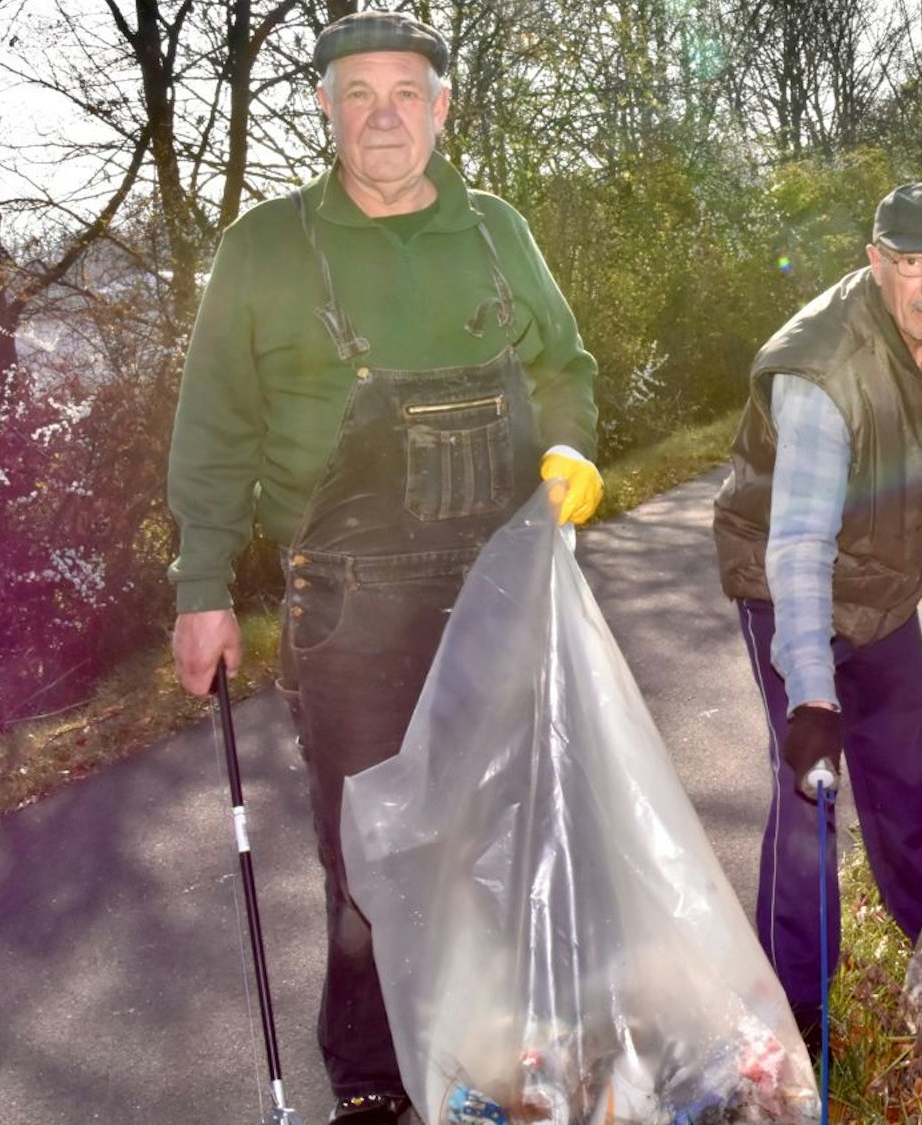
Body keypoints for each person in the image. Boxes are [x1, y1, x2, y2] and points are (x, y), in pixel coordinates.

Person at [164, 13, 601, 1123]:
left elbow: (563, 366)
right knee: (370, 850)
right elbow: (211, 422)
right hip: (349, 599)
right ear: (323, 106)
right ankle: (371, 1077)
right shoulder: (265, 247)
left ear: (442, 107)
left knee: (509, 823)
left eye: (405, 93)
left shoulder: (497, 232)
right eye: (357, 94)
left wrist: (572, 449)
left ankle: (505, 1056)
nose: (383, 115)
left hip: (499, 579)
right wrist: (202, 588)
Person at [713, 182, 922, 1045]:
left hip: (883, 590)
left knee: (909, 773)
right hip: (790, 588)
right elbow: (799, 546)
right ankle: (793, 996)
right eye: (913, 264)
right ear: (877, 263)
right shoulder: (823, 370)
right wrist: (811, 692)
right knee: (809, 792)